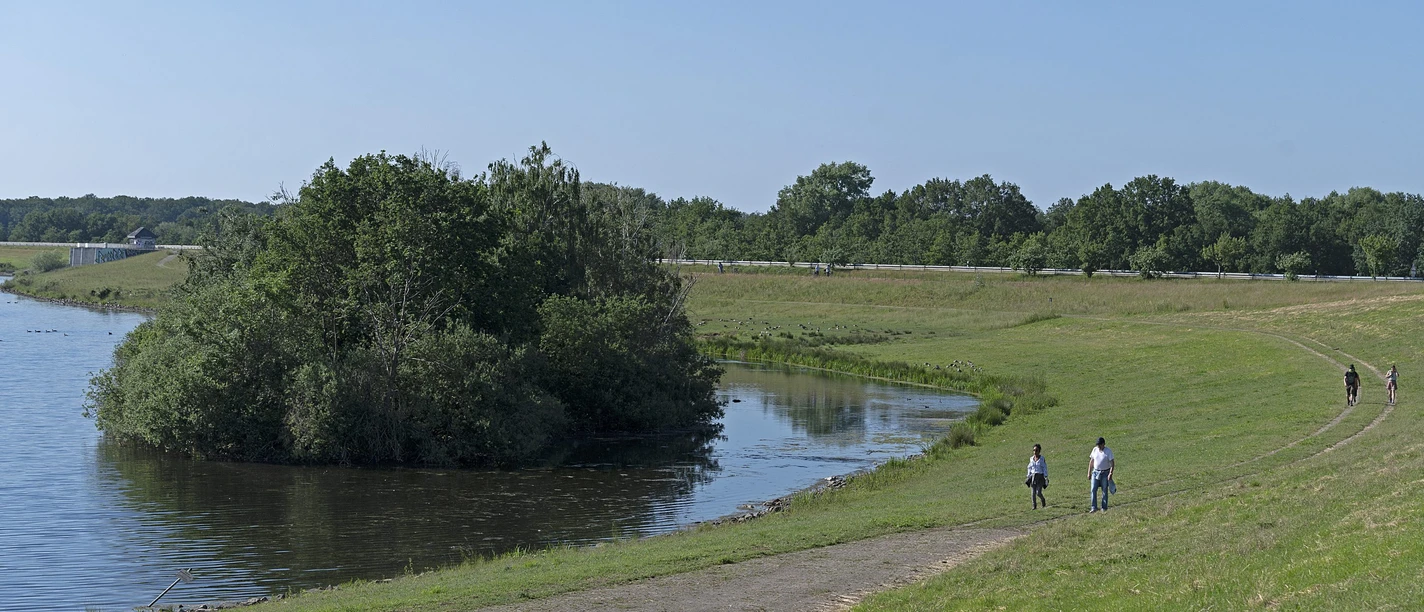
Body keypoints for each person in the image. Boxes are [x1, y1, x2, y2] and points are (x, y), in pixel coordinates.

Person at [1088, 437, 1114, 513]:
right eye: (1098, 445)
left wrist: (1110, 473)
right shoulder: (1095, 450)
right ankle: (1093, 507)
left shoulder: (1108, 451)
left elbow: (1112, 463)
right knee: (1093, 489)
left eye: (1100, 445)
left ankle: (1104, 507)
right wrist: (1089, 472)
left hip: (1105, 473)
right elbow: (1091, 461)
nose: (1098, 446)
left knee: (1104, 490)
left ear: (1103, 444)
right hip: (1095, 472)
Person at [1026, 443, 1048, 509]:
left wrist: (1045, 476)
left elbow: (1044, 467)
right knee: (1033, 493)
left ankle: (1043, 500)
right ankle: (1034, 506)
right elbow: (1029, 467)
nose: (1035, 452)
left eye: (1036, 450)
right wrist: (1028, 475)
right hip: (1033, 476)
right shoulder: (1031, 459)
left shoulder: (1042, 459)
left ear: (1039, 451)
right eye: (1034, 450)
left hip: (1040, 476)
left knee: (1038, 492)